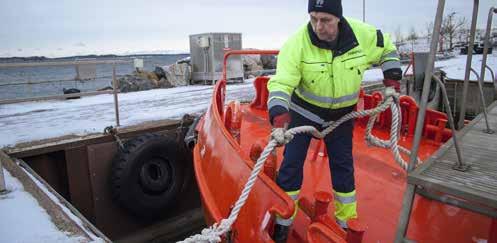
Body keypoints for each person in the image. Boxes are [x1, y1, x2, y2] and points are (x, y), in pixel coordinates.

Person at [267, 0, 401, 242]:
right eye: (314, 19)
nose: (319, 26)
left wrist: (391, 77)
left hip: (341, 117)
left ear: (338, 18)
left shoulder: (364, 35)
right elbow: (281, 82)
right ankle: (282, 224)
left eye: (326, 20)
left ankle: (345, 222)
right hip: (304, 113)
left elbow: (388, 49)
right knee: (291, 165)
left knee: (343, 167)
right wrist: (278, 111)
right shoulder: (296, 44)